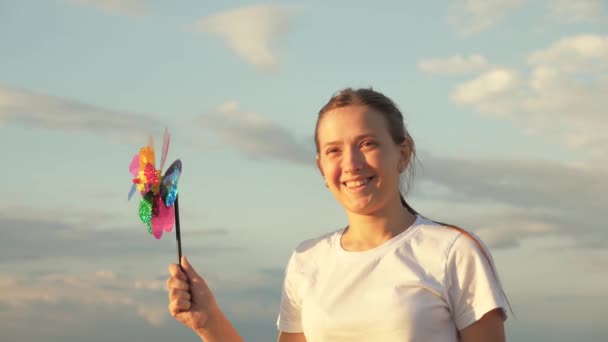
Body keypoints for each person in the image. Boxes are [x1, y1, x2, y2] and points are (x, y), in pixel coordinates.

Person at [166, 87, 511, 342]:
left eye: (367, 144)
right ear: (321, 166)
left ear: (402, 153)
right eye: (334, 150)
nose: (351, 164)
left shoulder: (453, 251)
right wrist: (208, 321)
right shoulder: (307, 260)